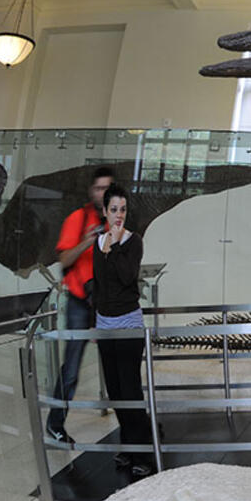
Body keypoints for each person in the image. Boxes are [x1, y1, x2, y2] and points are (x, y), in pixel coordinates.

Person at [46, 165, 114, 444]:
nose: (103, 193)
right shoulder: (77, 218)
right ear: (91, 190)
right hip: (78, 303)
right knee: (72, 367)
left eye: (107, 188)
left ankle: (134, 424)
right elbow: (64, 260)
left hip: (106, 303)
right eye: (98, 188)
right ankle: (55, 423)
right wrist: (87, 241)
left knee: (117, 365)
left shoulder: (115, 220)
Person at [93, 182, 155, 478]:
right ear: (104, 211)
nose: (119, 215)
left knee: (130, 389)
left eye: (123, 209)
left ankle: (143, 453)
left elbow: (127, 276)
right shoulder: (98, 242)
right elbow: (103, 281)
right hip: (104, 323)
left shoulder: (133, 241)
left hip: (127, 322)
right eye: (114, 209)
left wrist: (116, 245)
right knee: (116, 390)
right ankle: (129, 447)